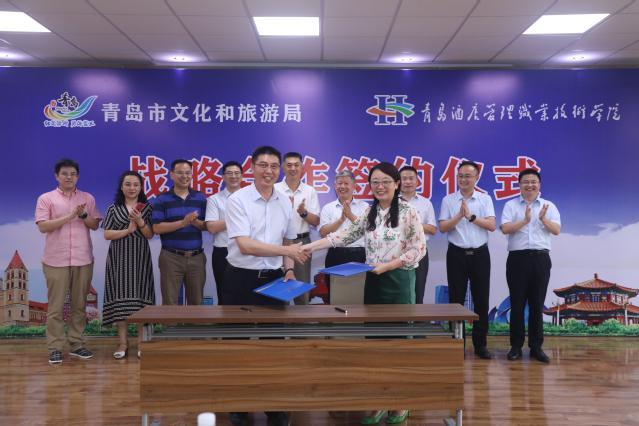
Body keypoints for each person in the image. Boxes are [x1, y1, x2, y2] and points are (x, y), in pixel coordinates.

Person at [303, 162, 426, 425]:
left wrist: (389, 266)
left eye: (385, 182)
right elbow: (342, 237)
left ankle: (399, 403)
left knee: (398, 344)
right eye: (375, 182)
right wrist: (309, 247)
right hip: (373, 281)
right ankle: (379, 400)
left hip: (399, 281)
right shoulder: (370, 212)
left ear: (396, 184)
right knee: (375, 343)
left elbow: (418, 249)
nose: (380, 187)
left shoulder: (409, 211)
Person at [224, 146, 309, 426]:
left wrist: (289, 269)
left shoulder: (285, 201)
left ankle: (275, 405)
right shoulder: (237, 200)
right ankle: (238, 406)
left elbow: (288, 241)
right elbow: (245, 245)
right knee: (236, 344)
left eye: (274, 166)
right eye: (263, 165)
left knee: (274, 344)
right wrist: (287, 252)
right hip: (240, 279)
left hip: (274, 280)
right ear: (252, 167)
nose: (269, 171)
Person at [35, 159, 101, 365]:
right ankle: (55, 347)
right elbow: (43, 226)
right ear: (57, 176)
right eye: (64, 173)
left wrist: (83, 215)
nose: (69, 177)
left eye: (73, 173)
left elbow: (94, 225)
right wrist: (70, 215)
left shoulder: (87, 198)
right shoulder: (46, 198)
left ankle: (76, 344)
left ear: (77, 176)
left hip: (83, 258)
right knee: (55, 307)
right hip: (56, 260)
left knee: (79, 306)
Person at [500, 168, 560, 363]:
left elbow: (556, 230)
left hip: (540, 259)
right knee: (517, 303)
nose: (530, 185)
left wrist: (543, 219)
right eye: (526, 181)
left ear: (539, 185)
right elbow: (505, 228)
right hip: (517, 259)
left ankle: (536, 347)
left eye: (533, 182)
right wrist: (525, 221)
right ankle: (516, 346)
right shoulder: (511, 205)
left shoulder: (549, 205)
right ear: (519, 185)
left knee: (537, 304)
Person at [439, 160, 496, 360]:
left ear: (477, 178)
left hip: (480, 254)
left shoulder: (484, 199)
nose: (463, 179)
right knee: (456, 300)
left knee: (481, 300)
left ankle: (480, 345)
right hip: (456, 254)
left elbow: (491, 226)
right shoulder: (448, 200)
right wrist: (459, 215)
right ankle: (457, 344)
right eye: (460, 176)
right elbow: (443, 227)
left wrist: (471, 217)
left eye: (468, 176)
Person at [102, 171, 155, 359]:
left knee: (141, 300)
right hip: (119, 258)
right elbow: (107, 234)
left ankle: (141, 342)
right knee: (120, 298)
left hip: (140, 257)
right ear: (121, 187)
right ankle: (123, 343)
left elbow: (149, 235)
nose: (132, 188)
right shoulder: (112, 208)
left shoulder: (147, 208)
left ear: (141, 188)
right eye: (128, 184)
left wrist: (140, 222)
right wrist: (127, 230)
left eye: (136, 185)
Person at [151, 159, 207, 306]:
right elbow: (156, 228)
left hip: (196, 257)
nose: (184, 176)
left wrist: (195, 222)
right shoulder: (161, 199)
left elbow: (207, 226)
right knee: (170, 302)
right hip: (170, 257)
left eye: (188, 173)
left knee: (197, 302)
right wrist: (183, 223)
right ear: (172, 175)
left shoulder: (200, 198)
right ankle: (171, 323)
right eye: (180, 173)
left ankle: (195, 322)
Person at [275, 152, 320, 304]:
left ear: (302, 167)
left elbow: (316, 221)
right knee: (279, 290)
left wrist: (303, 213)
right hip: (278, 243)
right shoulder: (274, 188)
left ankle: (302, 318)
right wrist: (284, 209)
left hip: (302, 243)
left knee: (301, 290)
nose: (293, 168)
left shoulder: (310, 190)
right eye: (289, 165)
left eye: (296, 165)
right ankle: (280, 317)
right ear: (283, 167)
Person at [205, 160, 243, 305]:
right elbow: (212, 227)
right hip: (223, 252)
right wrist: (238, 217)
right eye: (229, 173)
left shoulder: (252, 198)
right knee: (224, 293)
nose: (233, 176)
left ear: (242, 176)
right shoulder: (214, 199)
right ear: (223, 177)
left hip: (248, 251)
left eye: (237, 173)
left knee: (246, 293)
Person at [399, 166, 437, 304]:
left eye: (411, 178)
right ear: (398, 181)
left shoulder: (425, 203)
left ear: (417, 181)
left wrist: (412, 223)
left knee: (418, 290)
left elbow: (432, 229)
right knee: (398, 291)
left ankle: (417, 318)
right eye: (404, 179)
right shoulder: (392, 202)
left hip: (420, 252)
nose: (407, 182)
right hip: (396, 252)